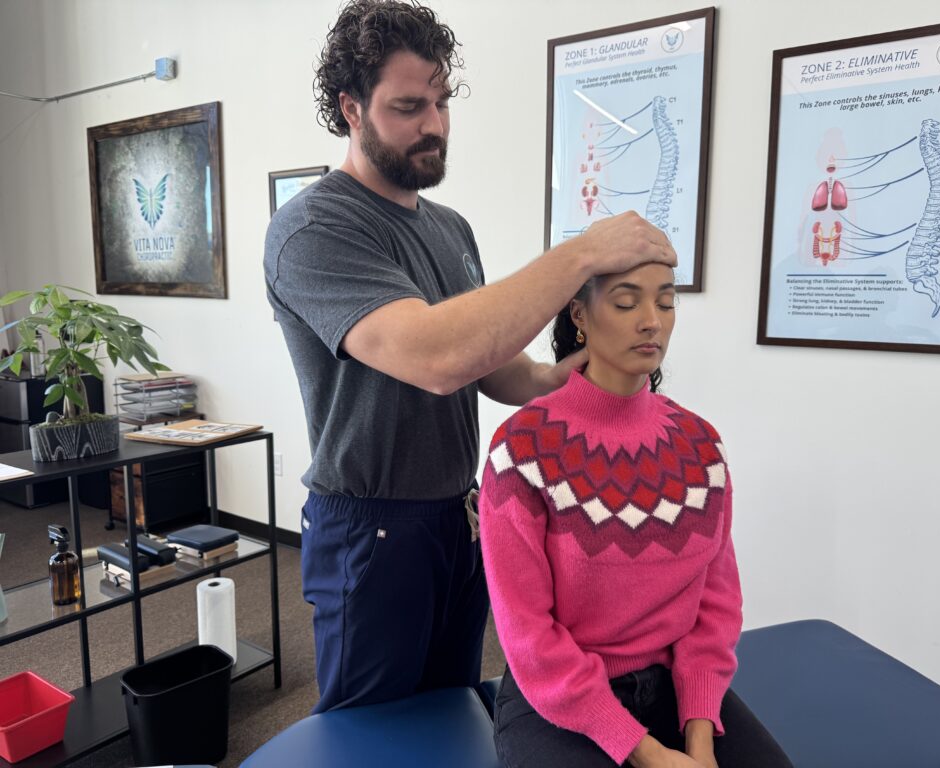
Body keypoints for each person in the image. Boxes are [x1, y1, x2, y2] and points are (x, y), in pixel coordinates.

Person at [263, 0, 677, 715]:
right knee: (375, 735)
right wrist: (583, 251)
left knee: (453, 712)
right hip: (371, 528)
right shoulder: (313, 227)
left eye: (442, 100)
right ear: (351, 110)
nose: (435, 124)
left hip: (460, 516)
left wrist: (550, 381)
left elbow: (485, 360)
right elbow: (437, 355)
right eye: (407, 106)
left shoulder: (451, 228)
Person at [479, 263, 793, 768]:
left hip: (674, 689)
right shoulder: (523, 448)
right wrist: (649, 755)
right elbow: (527, 633)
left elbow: (716, 603)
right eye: (627, 303)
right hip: (558, 698)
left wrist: (699, 742)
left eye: (665, 303)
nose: (651, 321)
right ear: (579, 314)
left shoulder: (700, 444)